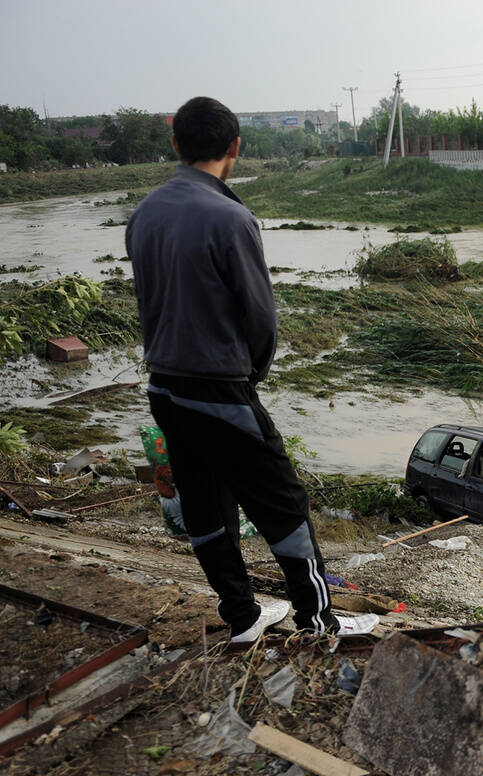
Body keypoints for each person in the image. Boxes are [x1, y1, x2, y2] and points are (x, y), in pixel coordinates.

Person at [126, 96, 376, 643]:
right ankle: (318, 623)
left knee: (204, 502)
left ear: (176, 145)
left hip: (164, 389)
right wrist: (247, 379)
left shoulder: (143, 214)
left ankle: (241, 617)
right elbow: (260, 319)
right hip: (220, 389)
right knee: (284, 506)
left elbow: (150, 304)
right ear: (235, 147)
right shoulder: (232, 217)